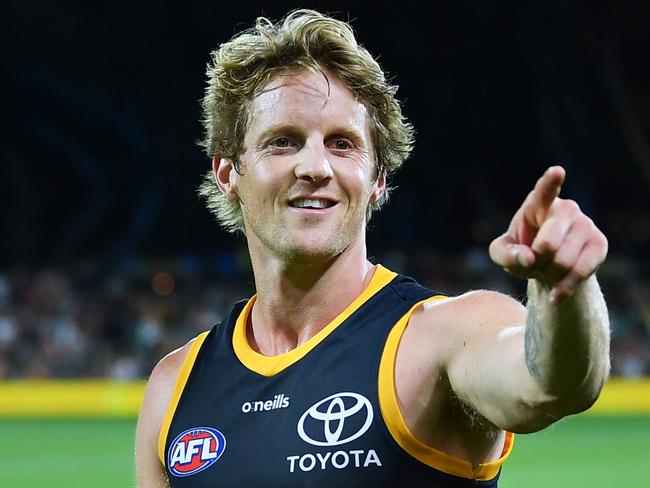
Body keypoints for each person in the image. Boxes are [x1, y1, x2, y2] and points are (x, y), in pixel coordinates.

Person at [135, 9, 610, 487]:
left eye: (342, 143)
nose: (316, 167)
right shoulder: (175, 388)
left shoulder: (436, 338)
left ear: (378, 179)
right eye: (283, 142)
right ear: (227, 173)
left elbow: (553, 384)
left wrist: (563, 288)